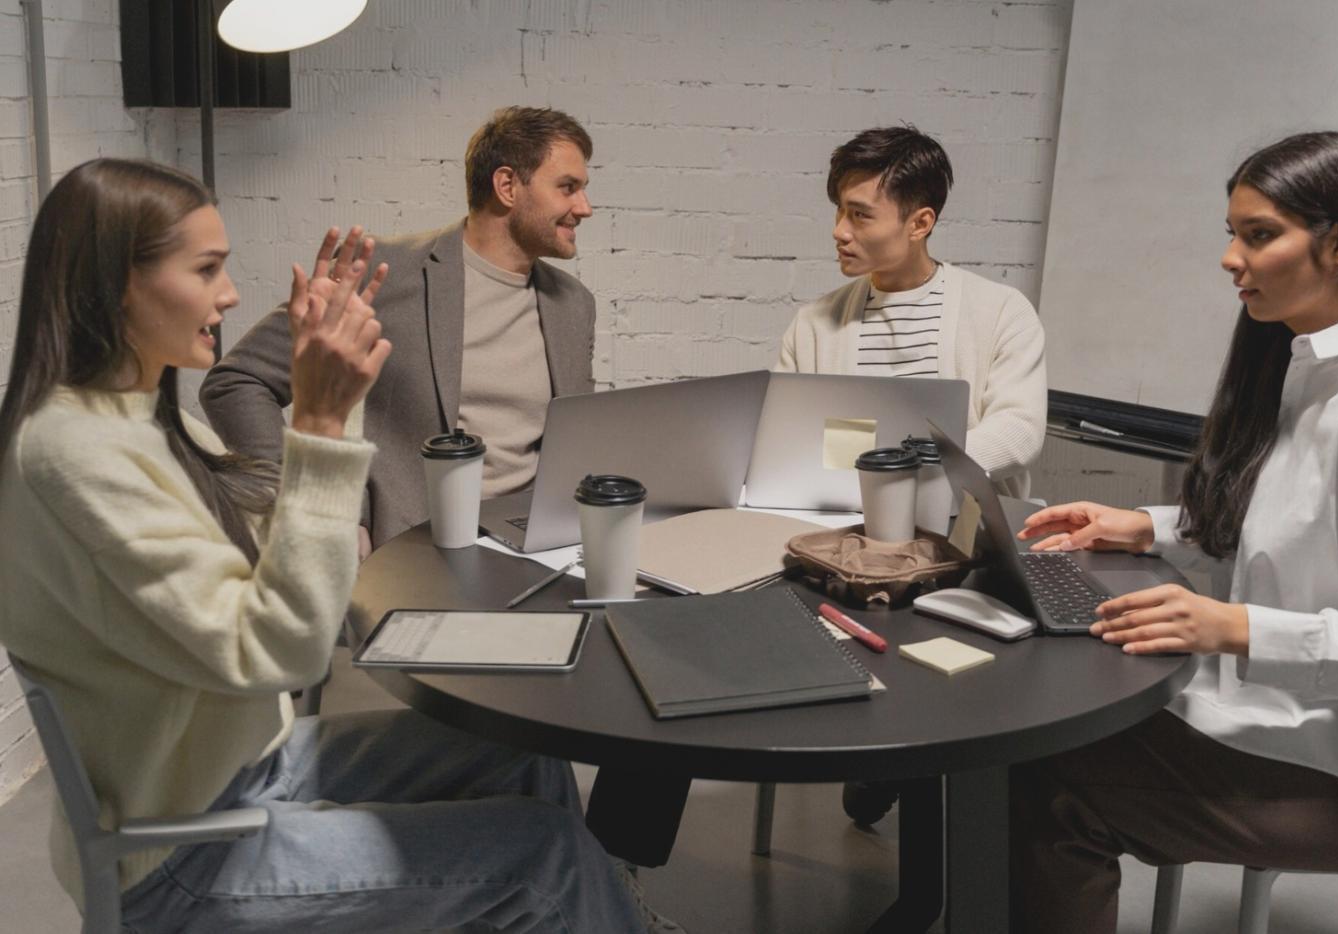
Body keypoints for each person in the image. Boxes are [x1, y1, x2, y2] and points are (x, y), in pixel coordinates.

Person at [0, 158, 645, 932]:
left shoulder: (138, 419)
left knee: (523, 752)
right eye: (206, 270)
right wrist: (319, 423)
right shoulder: (74, 455)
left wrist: (329, 415)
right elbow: (288, 651)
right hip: (180, 853)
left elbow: (272, 557)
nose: (229, 295)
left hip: (243, 766)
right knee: (548, 857)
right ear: (119, 285)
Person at [1012, 131, 1338, 932]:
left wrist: (1231, 626)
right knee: (1044, 725)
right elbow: (1293, 529)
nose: (1231, 258)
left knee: (1047, 780)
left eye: (1260, 235)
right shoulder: (1311, 367)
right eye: (1233, 233)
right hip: (1301, 726)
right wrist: (1150, 528)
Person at [201, 105, 599, 554]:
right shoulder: (383, 273)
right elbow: (236, 382)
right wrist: (310, 506)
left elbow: (574, 445)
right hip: (414, 552)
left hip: (541, 550)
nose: (584, 208)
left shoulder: (574, 305)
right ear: (507, 186)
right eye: (568, 188)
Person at [775, 124, 1047, 497]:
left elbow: (1019, 432)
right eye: (840, 211)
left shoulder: (1002, 312)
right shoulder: (813, 325)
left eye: (860, 215)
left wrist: (905, 467)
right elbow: (784, 437)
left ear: (920, 224)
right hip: (840, 521)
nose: (840, 231)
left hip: (967, 524)